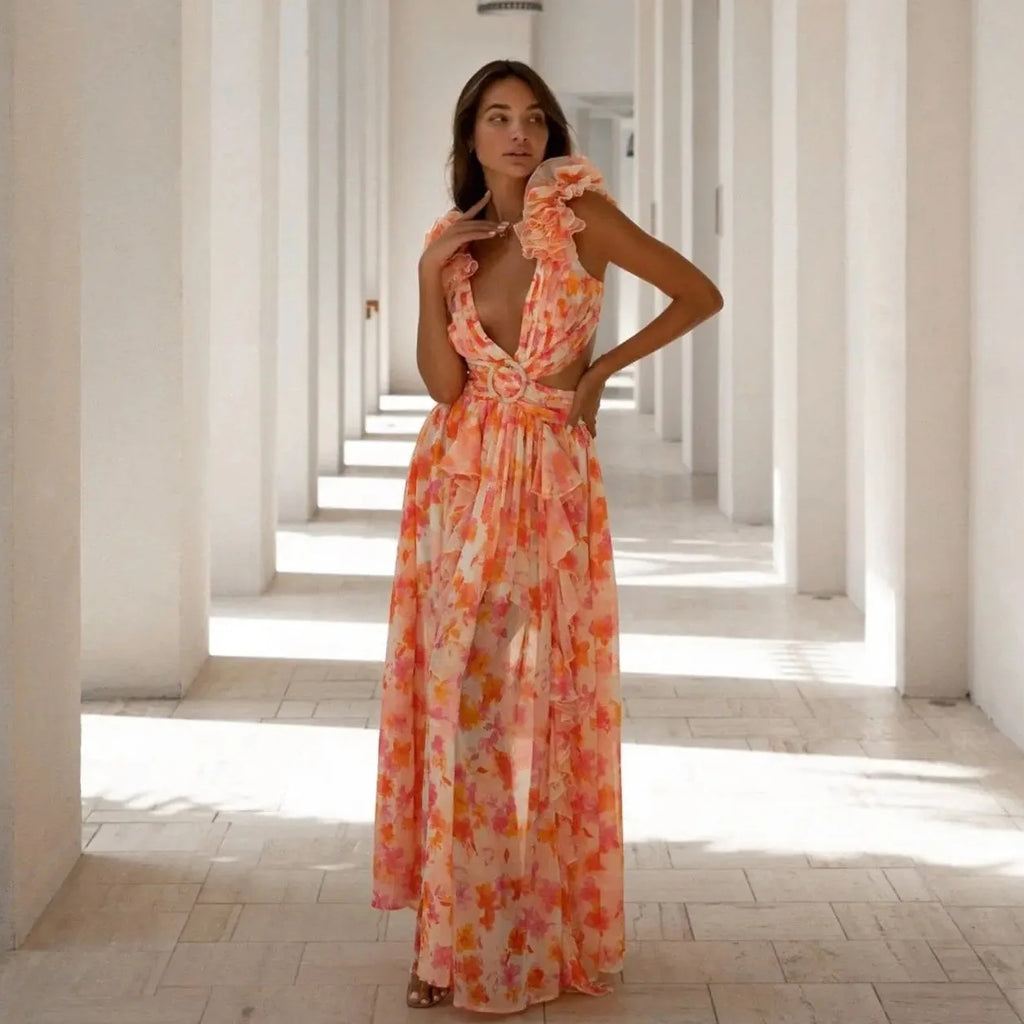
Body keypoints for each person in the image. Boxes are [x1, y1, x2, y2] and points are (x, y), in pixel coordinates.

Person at [372, 59, 723, 1013]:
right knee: (456, 709)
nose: (518, 134)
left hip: (546, 485)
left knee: (537, 707)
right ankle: (446, 939)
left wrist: (602, 368)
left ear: (552, 132)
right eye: (497, 117)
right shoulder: (456, 244)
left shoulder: (581, 218)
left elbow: (700, 294)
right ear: (471, 136)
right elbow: (445, 385)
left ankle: (538, 926)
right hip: (454, 484)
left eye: (533, 117)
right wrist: (424, 272)